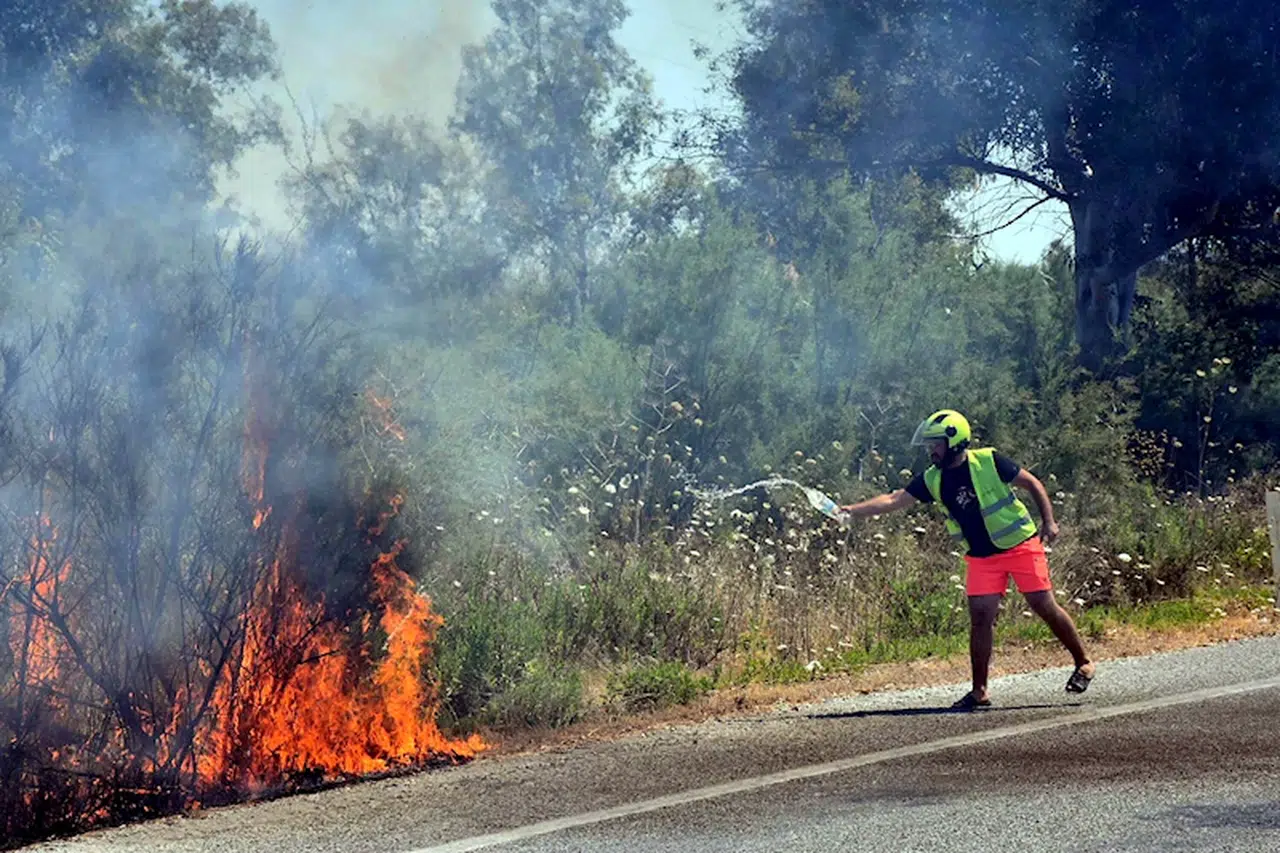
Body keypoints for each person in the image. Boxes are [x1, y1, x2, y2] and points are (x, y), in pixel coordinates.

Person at [837, 409, 1095, 709]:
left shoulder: (988, 460)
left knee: (1042, 605)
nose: (930, 450)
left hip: (1020, 544)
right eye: (927, 444)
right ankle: (979, 692)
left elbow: (1033, 483)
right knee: (981, 618)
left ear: (954, 441)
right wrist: (850, 510)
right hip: (982, 556)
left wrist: (1049, 522)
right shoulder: (932, 479)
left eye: (935, 444)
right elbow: (894, 500)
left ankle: (1084, 663)